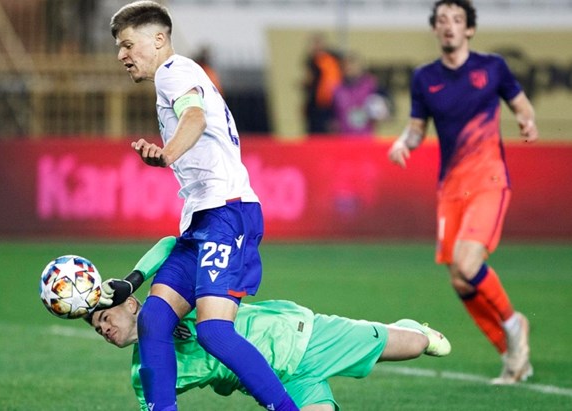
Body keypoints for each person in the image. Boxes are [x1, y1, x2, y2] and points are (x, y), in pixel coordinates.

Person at [107, 2, 298, 410]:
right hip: (202, 218)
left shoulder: (173, 73)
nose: (122, 55)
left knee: (214, 332)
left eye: (127, 45)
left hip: (226, 213)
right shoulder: (178, 75)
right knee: (154, 319)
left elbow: (193, 118)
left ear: (158, 40)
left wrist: (167, 153)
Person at [87, 236, 451, 410]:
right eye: (96, 327)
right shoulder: (144, 372)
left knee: (415, 347)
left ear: (131, 304)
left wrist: (134, 275)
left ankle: (413, 328)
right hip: (275, 383)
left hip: (301, 339)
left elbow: (172, 244)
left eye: (105, 316)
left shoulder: (174, 301)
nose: (103, 328)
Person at [387, 0, 538, 385]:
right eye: (442, 20)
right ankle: (511, 355)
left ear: (469, 29)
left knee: (469, 264)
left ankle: (513, 324)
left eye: (457, 19)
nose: (449, 26)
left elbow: (522, 106)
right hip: (451, 189)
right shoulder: (425, 78)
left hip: (489, 180)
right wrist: (405, 141)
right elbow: (417, 127)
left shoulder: (492, 68)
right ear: (436, 30)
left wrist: (526, 120)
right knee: (459, 279)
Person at [331, 52, 391, 136]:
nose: (349, 68)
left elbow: (387, 110)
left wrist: (382, 114)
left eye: (352, 65)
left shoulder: (372, 85)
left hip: (366, 138)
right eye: (346, 66)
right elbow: (331, 114)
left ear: (360, 67)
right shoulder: (337, 88)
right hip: (344, 138)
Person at [303, 34, 343, 134]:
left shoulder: (332, 59)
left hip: (331, 103)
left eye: (318, 43)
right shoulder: (312, 60)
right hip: (316, 105)